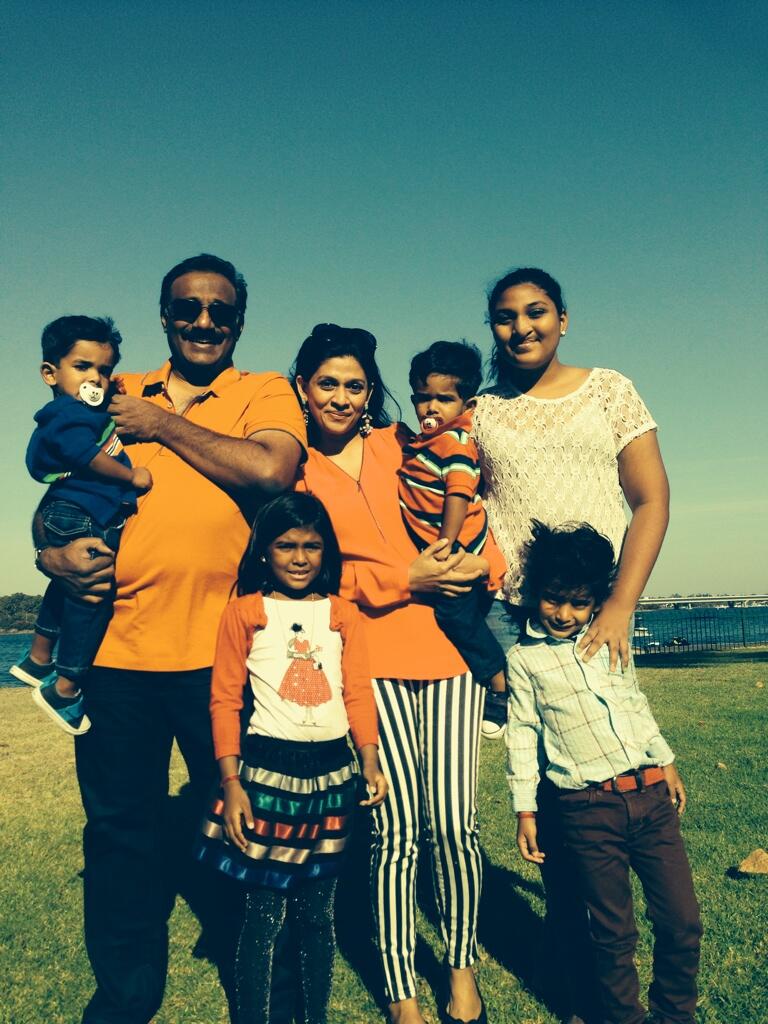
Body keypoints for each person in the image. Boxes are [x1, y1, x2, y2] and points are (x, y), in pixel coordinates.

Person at [34, 254, 306, 1024]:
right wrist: (49, 552)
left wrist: (161, 425)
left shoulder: (262, 392)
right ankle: (125, 997)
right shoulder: (112, 387)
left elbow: (270, 471)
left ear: (239, 322)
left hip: (226, 658)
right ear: (164, 316)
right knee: (120, 837)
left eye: (220, 310)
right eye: (188, 308)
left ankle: (268, 996)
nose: (203, 322)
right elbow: (58, 478)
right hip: (115, 660)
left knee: (250, 828)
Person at [471, 267, 670, 1022]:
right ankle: (582, 980)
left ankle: (622, 965)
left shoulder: (609, 391)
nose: (521, 326)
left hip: (598, 615)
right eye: (505, 316)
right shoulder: (482, 411)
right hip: (519, 623)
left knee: (609, 780)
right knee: (554, 811)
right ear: (492, 327)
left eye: (536, 311)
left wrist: (620, 604)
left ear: (563, 318)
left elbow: (651, 499)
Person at [293, 324, 504, 1024]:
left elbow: (477, 506)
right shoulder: (294, 471)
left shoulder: (405, 443)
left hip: (448, 659)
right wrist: (402, 579)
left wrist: (487, 567)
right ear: (303, 388)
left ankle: (462, 971)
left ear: (371, 392)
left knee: (457, 827)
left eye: (355, 385)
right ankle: (400, 991)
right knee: (394, 834)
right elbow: (312, 575)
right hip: (368, 667)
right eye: (327, 383)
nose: (341, 397)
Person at [198, 492, 387, 1024]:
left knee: (319, 914)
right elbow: (225, 700)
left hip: (333, 775)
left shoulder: (343, 615)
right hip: (267, 773)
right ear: (264, 550)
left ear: (327, 551)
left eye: (311, 546)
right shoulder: (245, 612)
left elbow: (357, 693)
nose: (300, 558)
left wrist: (369, 760)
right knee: (264, 914)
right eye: (286, 546)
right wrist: (231, 781)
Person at [506, 521, 701, 1024]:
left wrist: (666, 759)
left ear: (596, 600)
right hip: (587, 810)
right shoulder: (523, 661)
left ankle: (675, 1014)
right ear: (535, 592)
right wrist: (525, 810)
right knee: (614, 935)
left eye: (579, 602)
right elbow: (522, 735)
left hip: (651, 798)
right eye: (554, 599)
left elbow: (633, 701)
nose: (564, 614)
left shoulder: (610, 636)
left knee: (682, 922)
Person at [12, 316, 151, 735]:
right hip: (82, 512)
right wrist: (130, 477)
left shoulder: (79, 411)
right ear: (50, 373)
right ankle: (66, 687)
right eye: (82, 366)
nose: (96, 379)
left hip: (70, 509)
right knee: (91, 595)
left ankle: (37, 659)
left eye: (104, 370)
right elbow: (85, 456)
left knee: (68, 584)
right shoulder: (70, 415)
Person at [397, 340, 507, 734]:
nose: (431, 408)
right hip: (449, 548)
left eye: (444, 399)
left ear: (467, 404)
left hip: (458, 550)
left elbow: (457, 493)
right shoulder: (425, 442)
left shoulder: (455, 441)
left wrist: (445, 546)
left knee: (454, 615)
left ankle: (498, 682)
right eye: (423, 398)